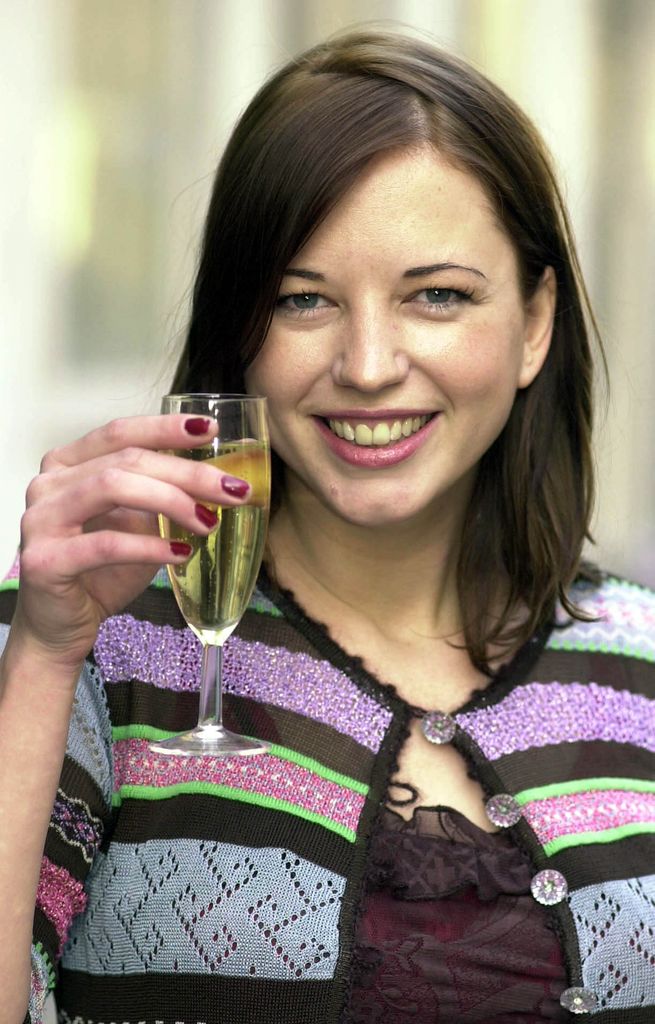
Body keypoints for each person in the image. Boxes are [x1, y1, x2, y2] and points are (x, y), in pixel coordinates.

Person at [1, 27, 654, 1024]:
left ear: (533, 323)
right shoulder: (89, 646)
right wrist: (42, 656)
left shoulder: (642, 664)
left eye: (436, 295)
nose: (366, 363)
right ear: (241, 335)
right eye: (303, 300)